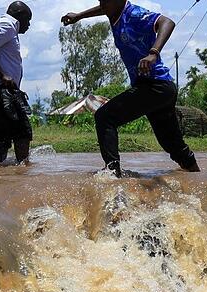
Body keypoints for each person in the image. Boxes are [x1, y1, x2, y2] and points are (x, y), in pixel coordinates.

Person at [62, 1, 199, 178]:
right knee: (172, 145)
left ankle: (112, 175)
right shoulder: (113, 11)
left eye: (105, 1)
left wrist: (153, 53)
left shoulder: (134, 14)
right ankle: (199, 178)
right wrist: (79, 16)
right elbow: (103, 9)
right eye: (101, 1)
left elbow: (167, 22)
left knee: (105, 116)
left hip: (155, 86)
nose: (102, 5)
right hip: (159, 89)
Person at [0, 1, 33, 164]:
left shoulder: (5, 28)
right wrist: (3, 76)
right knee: (22, 132)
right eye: (28, 19)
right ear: (20, 15)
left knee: (1, 138)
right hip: (1, 89)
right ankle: (23, 173)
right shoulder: (8, 25)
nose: (29, 24)